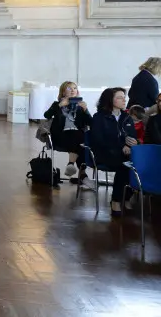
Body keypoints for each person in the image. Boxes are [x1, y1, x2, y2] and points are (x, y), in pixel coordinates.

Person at [89, 87, 138, 216]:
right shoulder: (99, 117)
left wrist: (132, 143)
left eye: (124, 97)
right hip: (104, 153)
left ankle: (126, 196)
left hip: (123, 153)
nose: (124, 100)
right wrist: (121, 146)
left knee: (137, 164)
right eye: (120, 97)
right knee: (125, 166)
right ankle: (116, 200)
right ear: (110, 100)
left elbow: (132, 135)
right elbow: (98, 140)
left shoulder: (126, 117)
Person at [42, 81, 91, 180]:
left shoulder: (81, 106)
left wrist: (86, 110)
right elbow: (46, 115)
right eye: (69, 88)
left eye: (75, 88)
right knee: (81, 140)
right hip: (60, 135)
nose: (73, 90)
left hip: (76, 137)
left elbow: (90, 122)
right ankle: (82, 175)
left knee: (82, 141)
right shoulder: (57, 104)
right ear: (63, 92)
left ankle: (72, 165)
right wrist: (59, 106)